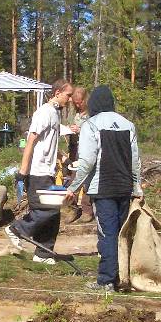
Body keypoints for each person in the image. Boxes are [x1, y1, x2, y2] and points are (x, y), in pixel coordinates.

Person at [63, 85, 142, 291]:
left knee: (107, 234)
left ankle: (107, 280)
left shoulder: (91, 125)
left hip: (103, 188)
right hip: (124, 188)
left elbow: (87, 161)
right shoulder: (128, 125)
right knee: (121, 233)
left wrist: (73, 187)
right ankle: (123, 276)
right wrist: (137, 188)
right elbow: (135, 161)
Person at [5, 78, 73, 264]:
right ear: (57, 93)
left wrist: (64, 159)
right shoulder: (44, 112)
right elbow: (31, 141)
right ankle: (17, 229)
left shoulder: (55, 114)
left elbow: (48, 143)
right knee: (48, 210)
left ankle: (43, 254)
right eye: (68, 95)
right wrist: (23, 172)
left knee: (54, 214)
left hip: (48, 172)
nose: (70, 99)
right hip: (37, 172)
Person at [64, 86, 93, 224]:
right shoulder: (74, 113)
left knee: (87, 180)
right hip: (75, 148)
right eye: (75, 103)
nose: (78, 105)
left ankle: (87, 210)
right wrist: (69, 129)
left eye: (80, 102)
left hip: (88, 150)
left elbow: (94, 131)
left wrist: (81, 130)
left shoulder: (92, 113)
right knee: (73, 178)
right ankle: (73, 208)